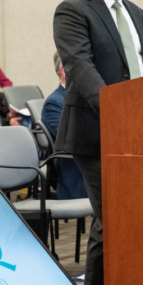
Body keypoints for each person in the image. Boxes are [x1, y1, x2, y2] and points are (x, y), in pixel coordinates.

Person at [53, 0, 143, 285]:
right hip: (97, 133)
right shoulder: (73, 11)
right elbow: (82, 70)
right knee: (114, 216)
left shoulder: (137, 14)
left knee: (113, 220)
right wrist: (120, 114)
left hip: (137, 133)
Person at [41, 52, 87, 200]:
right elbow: (69, 137)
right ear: (64, 70)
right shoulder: (54, 102)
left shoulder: (86, 97)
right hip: (76, 166)